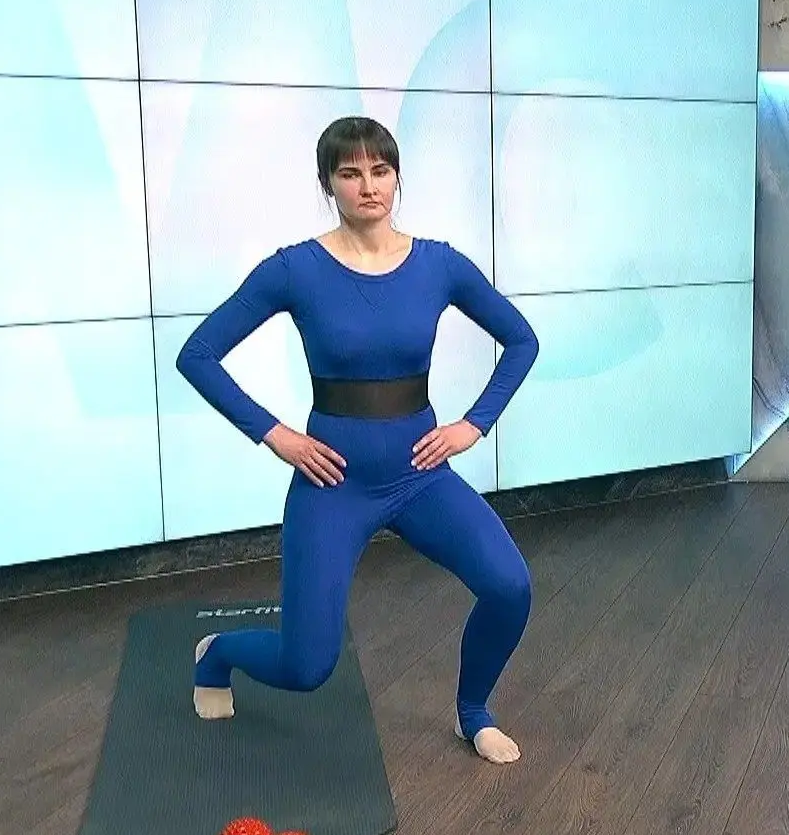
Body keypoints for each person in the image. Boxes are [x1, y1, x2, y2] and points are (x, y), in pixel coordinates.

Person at [176, 116, 540, 764]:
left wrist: (473, 423)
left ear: (397, 178)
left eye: (380, 170)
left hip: (419, 476)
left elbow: (521, 340)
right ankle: (219, 652)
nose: (368, 185)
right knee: (306, 666)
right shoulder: (294, 269)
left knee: (510, 586)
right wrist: (275, 435)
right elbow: (197, 354)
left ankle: (473, 713)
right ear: (328, 184)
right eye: (350, 173)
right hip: (334, 483)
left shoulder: (439, 265)